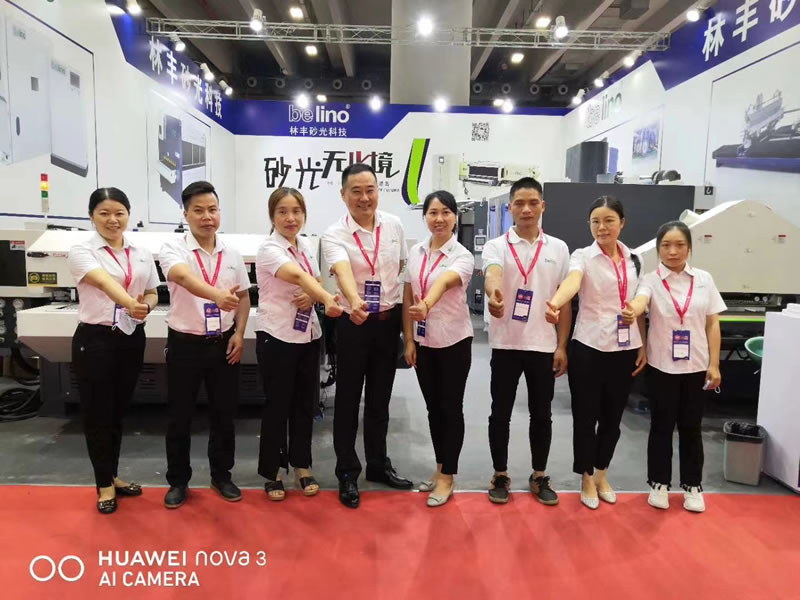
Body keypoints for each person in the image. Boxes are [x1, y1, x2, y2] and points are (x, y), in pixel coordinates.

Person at [545, 196, 647, 510]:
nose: (602, 227)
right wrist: (556, 302)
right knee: (586, 417)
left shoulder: (635, 259)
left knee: (613, 418)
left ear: (622, 223)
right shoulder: (582, 256)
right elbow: (572, 282)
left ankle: (602, 472)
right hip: (588, 347)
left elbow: (639, 304)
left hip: (624, 348)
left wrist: (643, 344)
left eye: (608, 221)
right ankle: (586, 476)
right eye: (595, 222)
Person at [321, 163, 413, 509]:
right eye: (356, 191)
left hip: (387, 323)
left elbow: (400, 267)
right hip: (353, 323)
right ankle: (347, 471)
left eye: (370, 190)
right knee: (347, 400)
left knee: (380, 399)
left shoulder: (394, 225)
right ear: (343, 194)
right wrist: (355, 299)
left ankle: (377, 464)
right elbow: (342, 269)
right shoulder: (335, 233)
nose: (364, 198)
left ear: (378, 191)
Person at [158, 181, 251, 509]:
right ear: (186, 214)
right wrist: (217, 296)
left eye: (212, 209)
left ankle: (221, 475)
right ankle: (178, 481)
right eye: (198, 210)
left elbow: (243, 297)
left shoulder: (232, 253)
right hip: (184, 343)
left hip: (223, 343)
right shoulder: (173, 248)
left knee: (224, 414)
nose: (207, 217)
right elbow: (183, 277)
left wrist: (239, 333)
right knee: (179, 416)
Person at [623, 220, 725, 513]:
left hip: (696, 366)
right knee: (661, 426)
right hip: (661, 366)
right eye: (666, 245)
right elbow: (641, 302)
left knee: (692, 427)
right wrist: (632, 310)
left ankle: (693, 486)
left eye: (679, 245)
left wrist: (714, 363)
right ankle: (659, 483)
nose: (673, 251)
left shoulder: (704, 279)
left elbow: (712, 323)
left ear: (689, 248)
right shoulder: (651, 280)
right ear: (658, 249)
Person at [68, 187, 159, 514]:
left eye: (119, 213)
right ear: (91, 216)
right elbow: (105, 283)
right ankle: (103, 485)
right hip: (96, 340)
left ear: (128, 215)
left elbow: (152, 291)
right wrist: (132, 304)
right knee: (97, 413)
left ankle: (113, 475)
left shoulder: (141, 251)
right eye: (104, 213)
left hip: (131, 336)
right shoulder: (82, 250)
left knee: (118, 411)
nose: (112, 220)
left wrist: (146, 307)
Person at [482, 177, 571, 505]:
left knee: (542, 414)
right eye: (519, 203)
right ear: (510, 208)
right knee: (499, 413)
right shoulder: (496, 246)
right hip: (505, 344)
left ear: (543, 206)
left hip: (543, 346)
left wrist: (562, 345)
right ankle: (500, 474)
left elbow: (564, 301)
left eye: (533, 202)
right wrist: (494, 294)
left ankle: (538, 475)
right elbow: (492, 273)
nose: (526, 209)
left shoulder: (558, 248)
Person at [255, 187, 343, 501]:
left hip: (308, 335)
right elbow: (294, 275)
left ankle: (302, 466)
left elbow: (313, 279)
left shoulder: (305, 244)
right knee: (277, 405)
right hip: (277, 335)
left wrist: (312, 294)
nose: (291, 218)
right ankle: (273, 471)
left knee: (306, 404)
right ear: (272, 216)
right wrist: (326, 298)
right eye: (282, 212)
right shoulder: (269, 249)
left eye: (296, 211)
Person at [403, 190, 474, 508]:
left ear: (455, 217)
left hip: (454, 341)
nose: (439, 218)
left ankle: (448, 475)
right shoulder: (416, 251)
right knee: (433, 408)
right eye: (433, 212)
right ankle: (440, 466)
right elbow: (408, 295)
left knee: (450, 408)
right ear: (425, 217)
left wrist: (427, 305)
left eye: (446, 212)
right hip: (424, 342)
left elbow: (444, 282)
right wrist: (409, 339)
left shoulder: (462, 256)